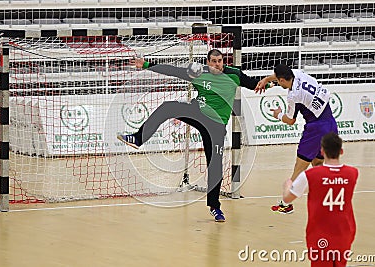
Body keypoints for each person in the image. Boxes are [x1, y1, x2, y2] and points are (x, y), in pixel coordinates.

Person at [118, 49, 266, 222]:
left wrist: (272, 82)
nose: (217, 64)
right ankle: (138, 138)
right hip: (198, 113)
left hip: (216, 126)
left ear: (223, 61)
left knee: (215, 165)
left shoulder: (234, 74)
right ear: (208, 62)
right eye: (213, 61)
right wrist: (146, 65)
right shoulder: (198, 72)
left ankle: (215, 207)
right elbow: (173, 71)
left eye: (220, 61)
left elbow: (256, 83)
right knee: (168, 107)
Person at [256, 64, 338, 214]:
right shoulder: (298, 74)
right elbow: (280, 75)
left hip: (316, 128)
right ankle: (327, 200)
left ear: (281, 80)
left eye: (278, 81)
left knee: (300, 167)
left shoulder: (294, 96)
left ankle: (286, 204)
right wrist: (266, 79)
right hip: (331, 123)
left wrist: (278, 114)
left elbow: (290, 120)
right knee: (318, 162)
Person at [283, 132, 358, 267]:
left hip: (319, 232)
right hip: (345, 231)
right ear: (341, 151)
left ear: (322, 151)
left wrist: (287, 186)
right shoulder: (352, 173)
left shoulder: (311, 175)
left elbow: (287, 199)